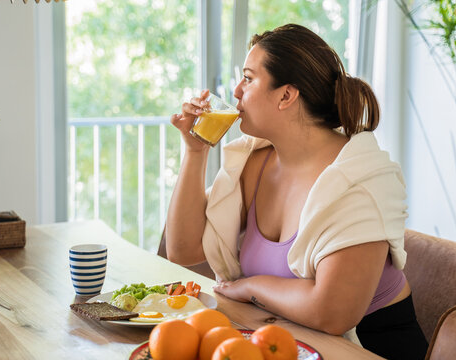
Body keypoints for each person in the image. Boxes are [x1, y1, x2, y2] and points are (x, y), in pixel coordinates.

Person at [166, 24, 428, 359]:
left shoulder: (360, 180)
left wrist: (251, 286)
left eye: (248, 78)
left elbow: (332, 313)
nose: (236, 91)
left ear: (287, 96)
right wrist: (195, 150)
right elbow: (183, 250)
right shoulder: (254, 163)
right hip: (287, 340)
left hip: (368, 350)